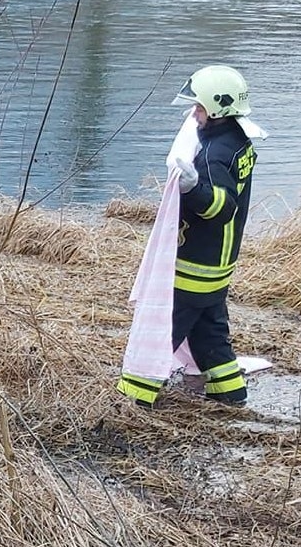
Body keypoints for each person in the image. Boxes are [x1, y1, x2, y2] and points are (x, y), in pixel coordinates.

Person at [118, 65, 265, 407]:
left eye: (198, 107)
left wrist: (192, 188)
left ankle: (133, 398)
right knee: (210, 331)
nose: (193, 113)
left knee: (160, 331)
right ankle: (230, 392)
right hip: (219, 266)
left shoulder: (216, 155)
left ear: (217, 109)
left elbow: (223, 207)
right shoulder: (237, 142)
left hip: (197, 266)